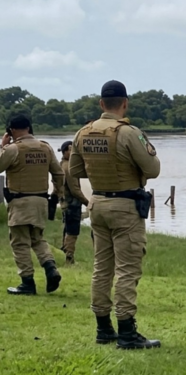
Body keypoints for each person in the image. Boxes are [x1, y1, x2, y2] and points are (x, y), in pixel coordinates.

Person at [70, 80, 161, 350]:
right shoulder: (129, 133)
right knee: (127, 270)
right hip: (125, 205)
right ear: (125, 103)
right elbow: (153, 169)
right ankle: (127, 332)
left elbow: (75, 170)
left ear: (101, 104)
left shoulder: (83, 132)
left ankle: (103, 328)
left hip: (98, 203)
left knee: (102, 267)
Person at [0, 114, 64, 295]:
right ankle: (50, 268)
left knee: (20, 243)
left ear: (11, 130)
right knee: (37, 238)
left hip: (20, 201)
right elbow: (59, 173)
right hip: (41, 200)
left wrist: (2, 146)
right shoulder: (45, 147)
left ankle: (27, 282)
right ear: (29, 128)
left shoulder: (13, 149)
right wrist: (57, 193)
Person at [58, 140, 89, 265]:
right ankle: (69, 258)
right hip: (72, 203)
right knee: (73, 232)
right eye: (71, 150)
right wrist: (87, 203)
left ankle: (63, 255)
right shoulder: (70, 167)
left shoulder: (61, 164)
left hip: (66, 203)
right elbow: (75, 190)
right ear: (65, 151)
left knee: (67, 229)